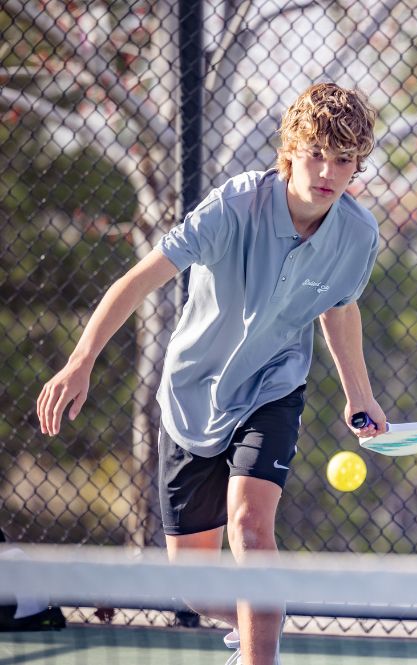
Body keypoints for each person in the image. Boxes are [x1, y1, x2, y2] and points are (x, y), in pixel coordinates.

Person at [36, 82, 388, 665]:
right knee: (197, 589)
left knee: (251, 530)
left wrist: (361, 396)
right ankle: (266, 614)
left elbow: (339, 306)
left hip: (272, 388)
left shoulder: (357, 234)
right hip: (192, 396)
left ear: (357, 165)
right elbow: (140, 278)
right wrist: (82, 360)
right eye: (317, 153)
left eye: (345, 159)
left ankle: (259, 651)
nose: (329, 171)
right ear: (290, 151)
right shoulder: (233, 207)